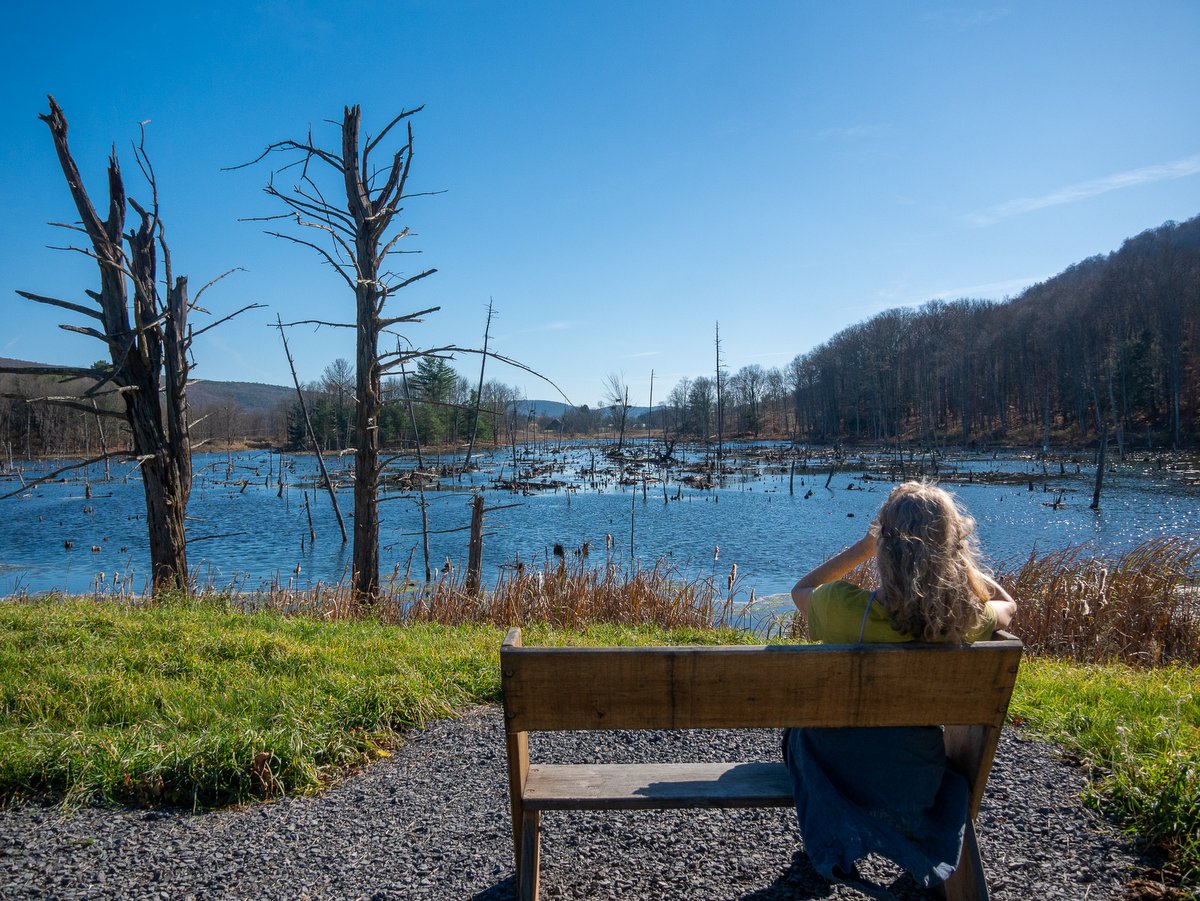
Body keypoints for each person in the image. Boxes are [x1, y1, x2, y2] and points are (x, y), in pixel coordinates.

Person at [785, 480, 1017, 895]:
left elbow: (800, 589)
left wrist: (862, 548)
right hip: (914, 771)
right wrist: (957, 561)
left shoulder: (844, 609)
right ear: (951, 545)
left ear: (885, 545)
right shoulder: (963, 622)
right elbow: (1008, 605)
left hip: (835, 764)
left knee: (798, 736)